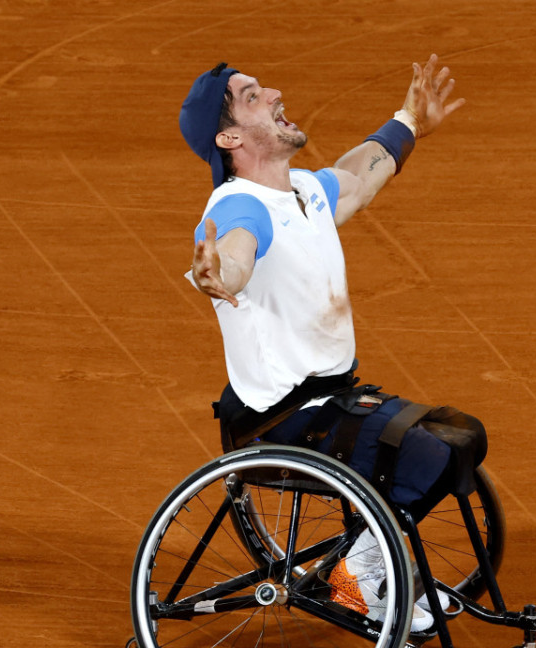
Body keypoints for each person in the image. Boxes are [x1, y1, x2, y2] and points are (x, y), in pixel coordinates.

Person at [179, 55, 483, 633]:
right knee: (432, 455)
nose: (272, 92)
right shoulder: (239, 208)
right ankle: (357, 575)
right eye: (250, 96)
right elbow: (237, 254)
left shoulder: (301, 191)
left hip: (330, 400)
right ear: (230, 137)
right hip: (285, 418)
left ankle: (373, 567)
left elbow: (360, 175)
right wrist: (221, 276)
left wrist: (410, 121)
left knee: (460, 435)